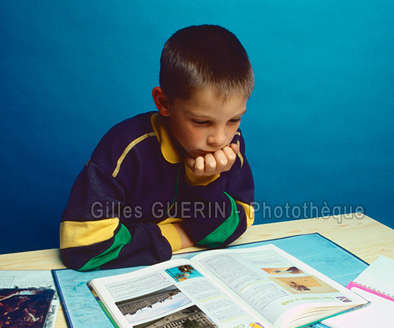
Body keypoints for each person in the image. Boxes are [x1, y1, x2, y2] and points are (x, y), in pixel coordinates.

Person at [60, 25, 255, 271]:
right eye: (201, 122)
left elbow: (233, 226)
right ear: (164, 103)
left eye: (234, 120)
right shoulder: (126, 147)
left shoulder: (231, 143)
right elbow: (83, 248)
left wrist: (205, 182)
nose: (219, 138)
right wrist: (181, 235)